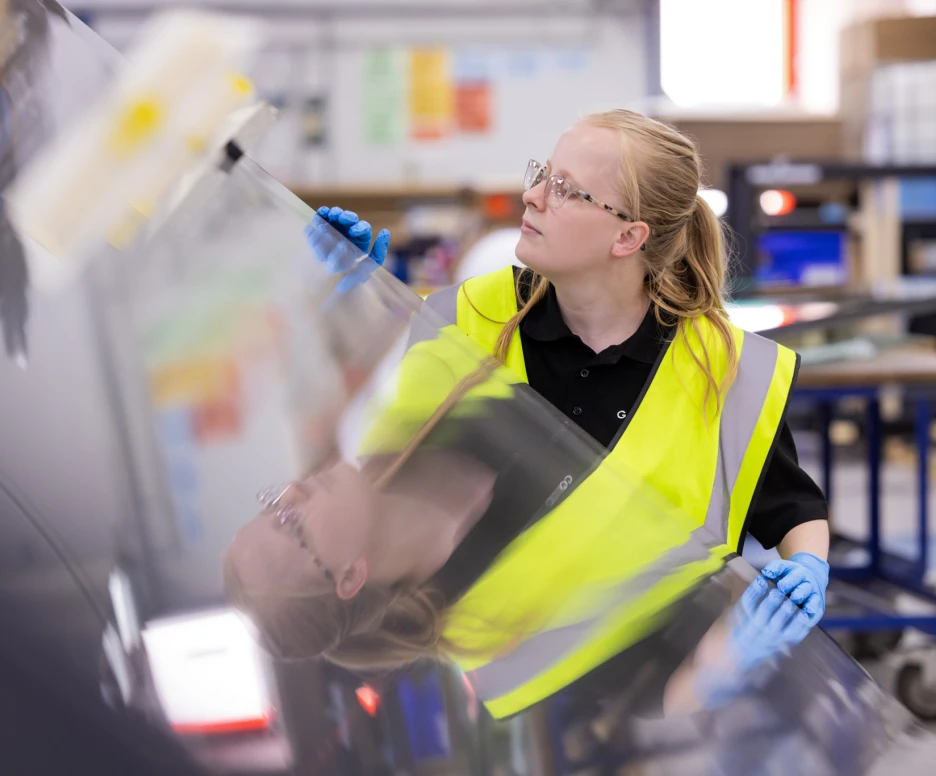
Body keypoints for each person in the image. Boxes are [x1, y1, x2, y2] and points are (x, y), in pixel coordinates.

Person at [226, 109, 830, 721]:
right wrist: (355, 293)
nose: (532, 194)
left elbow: (791, 507)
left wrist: (809, 564)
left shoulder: (722, 365)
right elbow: (629, 699)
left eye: (562, 185)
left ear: (629, 237)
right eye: (544, 176)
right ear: (349, 576)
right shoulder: (474, 317)